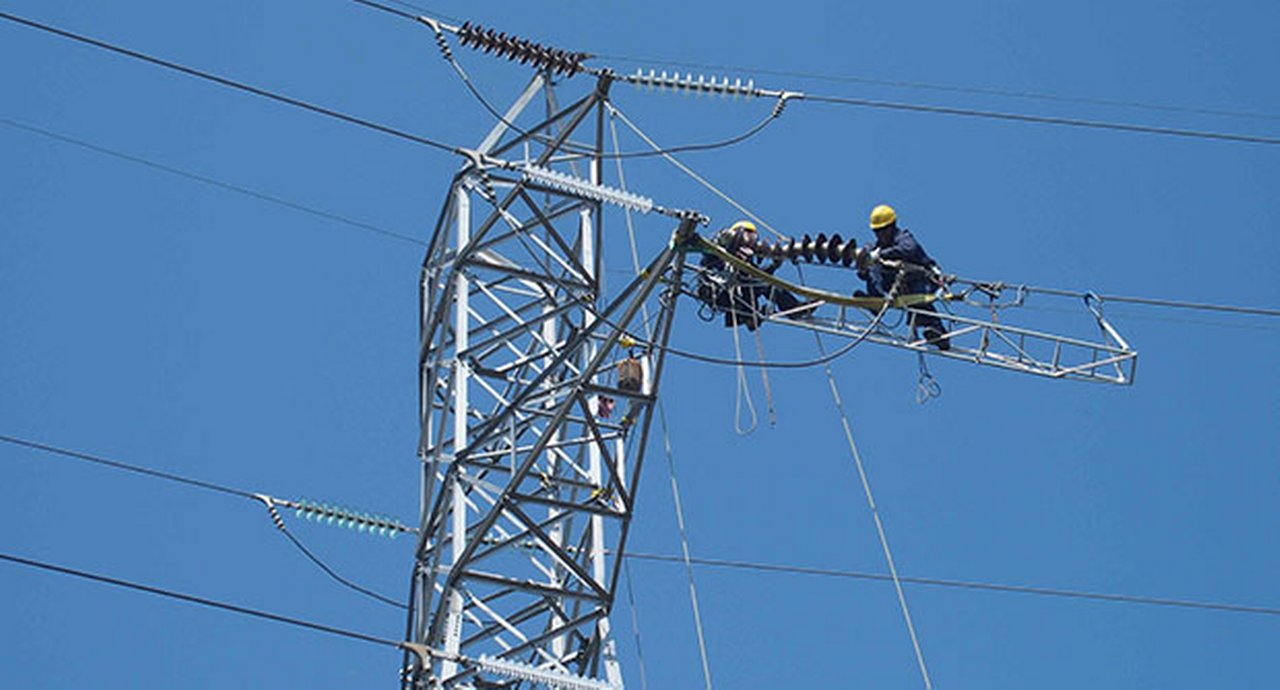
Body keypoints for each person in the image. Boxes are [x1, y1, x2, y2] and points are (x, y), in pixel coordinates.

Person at [857, 204, 950, 350]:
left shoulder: (904, 238)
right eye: (877, 231)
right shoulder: (874, 247)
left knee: (918, 301)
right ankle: (876, 301)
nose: (880, 235)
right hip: (894, 283)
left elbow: (909, 249)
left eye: (883, 230)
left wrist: (881, 254)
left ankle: (939, 334)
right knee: (874, 267)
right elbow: (865, 272)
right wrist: (864, 264)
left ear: (892, 226)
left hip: (919, 280)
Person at [698, 220, 812, 329]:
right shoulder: (719, 253)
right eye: (748, 236)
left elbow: (757, 274)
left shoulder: (746, 259)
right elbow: (708, 253)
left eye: (753, 238)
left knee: (768, 283)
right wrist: (722, 242)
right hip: (722, 293)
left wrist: (774, 265)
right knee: (764, 283)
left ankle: (793, 309)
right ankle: (748, 316)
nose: (750, 241)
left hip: (740, 293)